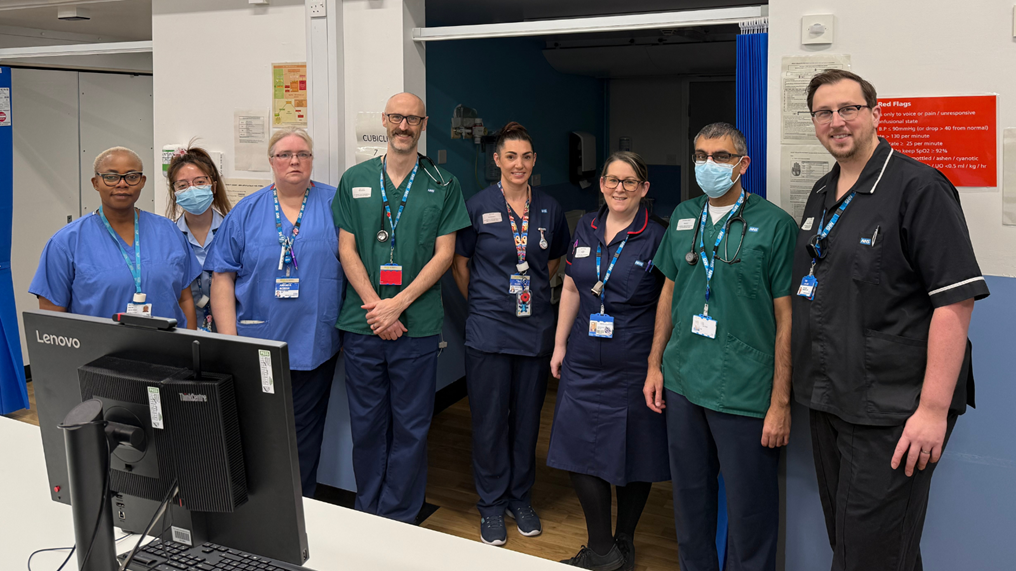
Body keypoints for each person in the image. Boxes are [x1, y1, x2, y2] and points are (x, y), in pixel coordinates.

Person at [792, 69, 989, 571]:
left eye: (848, 109)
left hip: (892, 413)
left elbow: (954, 302)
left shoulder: (918, 186)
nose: (837, 122)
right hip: (831, 399)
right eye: (823, 112)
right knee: (861, 547)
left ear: (875, 113)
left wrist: (931, 410)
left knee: (869, 556)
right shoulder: (822, 191)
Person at [644, 123, 797, 571]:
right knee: (690, 502)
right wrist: (655, 364)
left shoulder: (775, 226)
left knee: (751, 510)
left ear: (743, 164)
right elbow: (669, 293)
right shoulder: (683, 216)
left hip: (745, 388)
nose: (708, 165)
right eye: (700, 156)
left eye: (721, 157)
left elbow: (788, 318)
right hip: (684, 378)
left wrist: (781, 401)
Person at [333, 92, 470, 524]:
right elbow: (346, 248)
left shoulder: (444, 184)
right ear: (385, 121)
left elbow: (445, 255)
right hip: (363, 324)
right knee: (368, 426)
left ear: (423, 124)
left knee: (411, 428)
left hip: (417, 326)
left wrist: (399, 305)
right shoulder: (355, 178)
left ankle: (399, 517)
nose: (404, 126)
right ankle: (368, 511)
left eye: (412, 119)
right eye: (397, 117)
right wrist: (378, 307)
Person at [206, 127, 343, 498]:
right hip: (257, 342)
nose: (294, 161)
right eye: (284, 155)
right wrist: (229, 340)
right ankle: (258, 504)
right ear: (271, 162)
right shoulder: (246, 211)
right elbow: (222, 277)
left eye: (302, 154)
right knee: (258, 430)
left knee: (305, 434)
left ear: (312, 160)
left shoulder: (335, 205)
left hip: (315, 342)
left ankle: (302, 504)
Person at [548, 151, 668, 571]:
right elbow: (571, 288)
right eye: (612, 180)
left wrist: (656, 363)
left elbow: (666, 307)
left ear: (644, 189)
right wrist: (560, 344)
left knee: (635, 454)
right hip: (583, 358)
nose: (619, 188)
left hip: (633, 363)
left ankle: (624, 541)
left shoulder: (657, 236)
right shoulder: (585, 226)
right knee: (576, 451)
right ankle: (601, 549)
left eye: (629, 182)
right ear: (601, 183)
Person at [452, 122, 570, 545]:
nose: (518, 164)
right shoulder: (477, 206)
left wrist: (529, 294)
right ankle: (490, 505)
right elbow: (461, 265)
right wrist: (488, 303)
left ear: (534, 161)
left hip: (534, 331)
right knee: (488, 423)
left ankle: (520, 497)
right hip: (488, 332)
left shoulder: (550, 209)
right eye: (510, 156)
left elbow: (554, 261)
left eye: (526, 157)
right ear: (497, 161)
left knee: (525, 422)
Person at [30, 146, 200, 329]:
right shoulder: (66, 243)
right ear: (96, 183)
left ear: (142, 181)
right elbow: (51, 317)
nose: (122, 184)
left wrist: (189, 349)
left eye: (132, 176)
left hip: (168, 353)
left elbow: (185, 299)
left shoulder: (169, 232)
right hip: (98, 353)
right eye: (111, 177)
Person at [166, 146, 232, 332]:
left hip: (230, 328)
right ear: (175, 192)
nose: (192, 190)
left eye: (200, 182)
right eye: (183, 185)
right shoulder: (168, 236)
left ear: (213, 185)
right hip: (185, 328)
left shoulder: (234, 232)